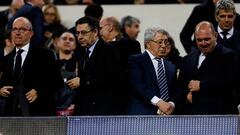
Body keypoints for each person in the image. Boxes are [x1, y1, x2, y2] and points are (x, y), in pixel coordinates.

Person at [0, 17, 63, 116]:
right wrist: (0, 90)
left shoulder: (45, 55)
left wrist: (39, 91)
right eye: (14, 29)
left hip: (38, 112)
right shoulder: (6, 59)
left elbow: (57, 81)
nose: (17, 32)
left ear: (31, 33)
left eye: (22, 29)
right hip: (12, 115)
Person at [177, 21, 239, 115]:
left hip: (221, 115)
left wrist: (202, 85)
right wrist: (186, 95)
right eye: (199, 40)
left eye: (207, 39)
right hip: (193, 116)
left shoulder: (228, 55)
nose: (203, 43)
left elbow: (231, 83)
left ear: (215, 36)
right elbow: (181, 85)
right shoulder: (188, 59)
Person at [73, 16, 121, 115]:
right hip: (84, 110)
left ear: (95, 32)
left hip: (102, 111)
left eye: (84, 33)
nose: (79, 37)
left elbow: (111, 79)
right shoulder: (81, 51)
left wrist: (82, 81)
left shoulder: (108, 50)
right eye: (77, 33)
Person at [127, 27, 178, 115]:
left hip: (166, 117)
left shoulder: (171, 67)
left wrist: (171, 105)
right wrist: (159, 102)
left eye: (166, 42)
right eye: (160, 42)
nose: (163, 45)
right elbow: (138, 85)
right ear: (148, 44)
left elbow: (175, 91)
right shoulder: (136, 61)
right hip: (142, 115)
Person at [55, 31, 79, 116]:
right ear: (57, 43)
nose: (67, 41)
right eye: (64, 39)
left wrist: (77, 104)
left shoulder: (81, 63)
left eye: (71, 39)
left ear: (75, 45)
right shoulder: (50, 62)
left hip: (73, 110)